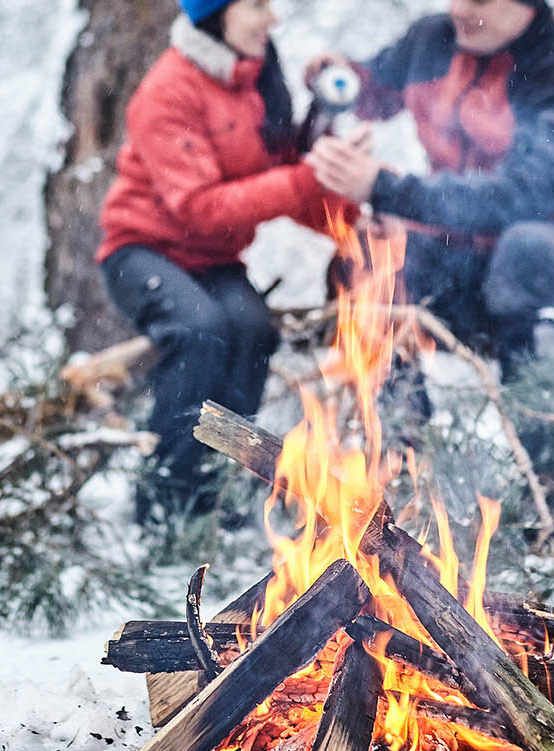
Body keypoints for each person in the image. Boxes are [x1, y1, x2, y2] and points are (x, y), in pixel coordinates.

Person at [99, 0, 356, 523]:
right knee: (200, 330)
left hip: (211, 257)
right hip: (140, 250)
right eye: (257, 5)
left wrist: (357, 221)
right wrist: (305, 179)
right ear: (215, 13)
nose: (273, 19)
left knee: (252, 329)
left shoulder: (256, 81)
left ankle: (222, 487)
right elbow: (198, 208)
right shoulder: (167, 91)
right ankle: (167, 501)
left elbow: (288, 176)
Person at [304, 0, 554, 384]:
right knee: (367, 256)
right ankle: (395, 429)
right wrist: (343, 77)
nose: (458, 9)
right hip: (456, 256)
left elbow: (525, 196)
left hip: (551, 257)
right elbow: (377, 87)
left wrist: (385, 189)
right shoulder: (434, 39)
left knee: (527, 247)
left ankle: (541, 419)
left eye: (478, 0)